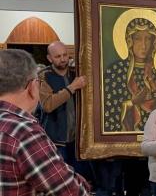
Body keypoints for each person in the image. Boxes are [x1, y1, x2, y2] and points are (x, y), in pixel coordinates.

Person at [0, 49, 90, 195]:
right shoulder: (24, 132)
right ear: (31, 87)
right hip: (59, 138)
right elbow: (72, 190)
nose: (62, 59)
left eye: (65, 54)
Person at [39, 41, 91, 180]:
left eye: (65, 55)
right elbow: (47, 105)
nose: (63, 59)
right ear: (49, 58)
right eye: (57, 56)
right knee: (59, 179)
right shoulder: (44, 76)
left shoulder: (76, 73)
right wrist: (72, 87)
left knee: (79, 179)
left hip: (78, 140)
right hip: (56, 140)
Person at [104, 18, 156, 132]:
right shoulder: (116, 71)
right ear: (129, 41)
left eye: (148, 39)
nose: (144, 45)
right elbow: (109, 108)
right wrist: (132, 102)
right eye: (138, 39)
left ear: (154, 42)